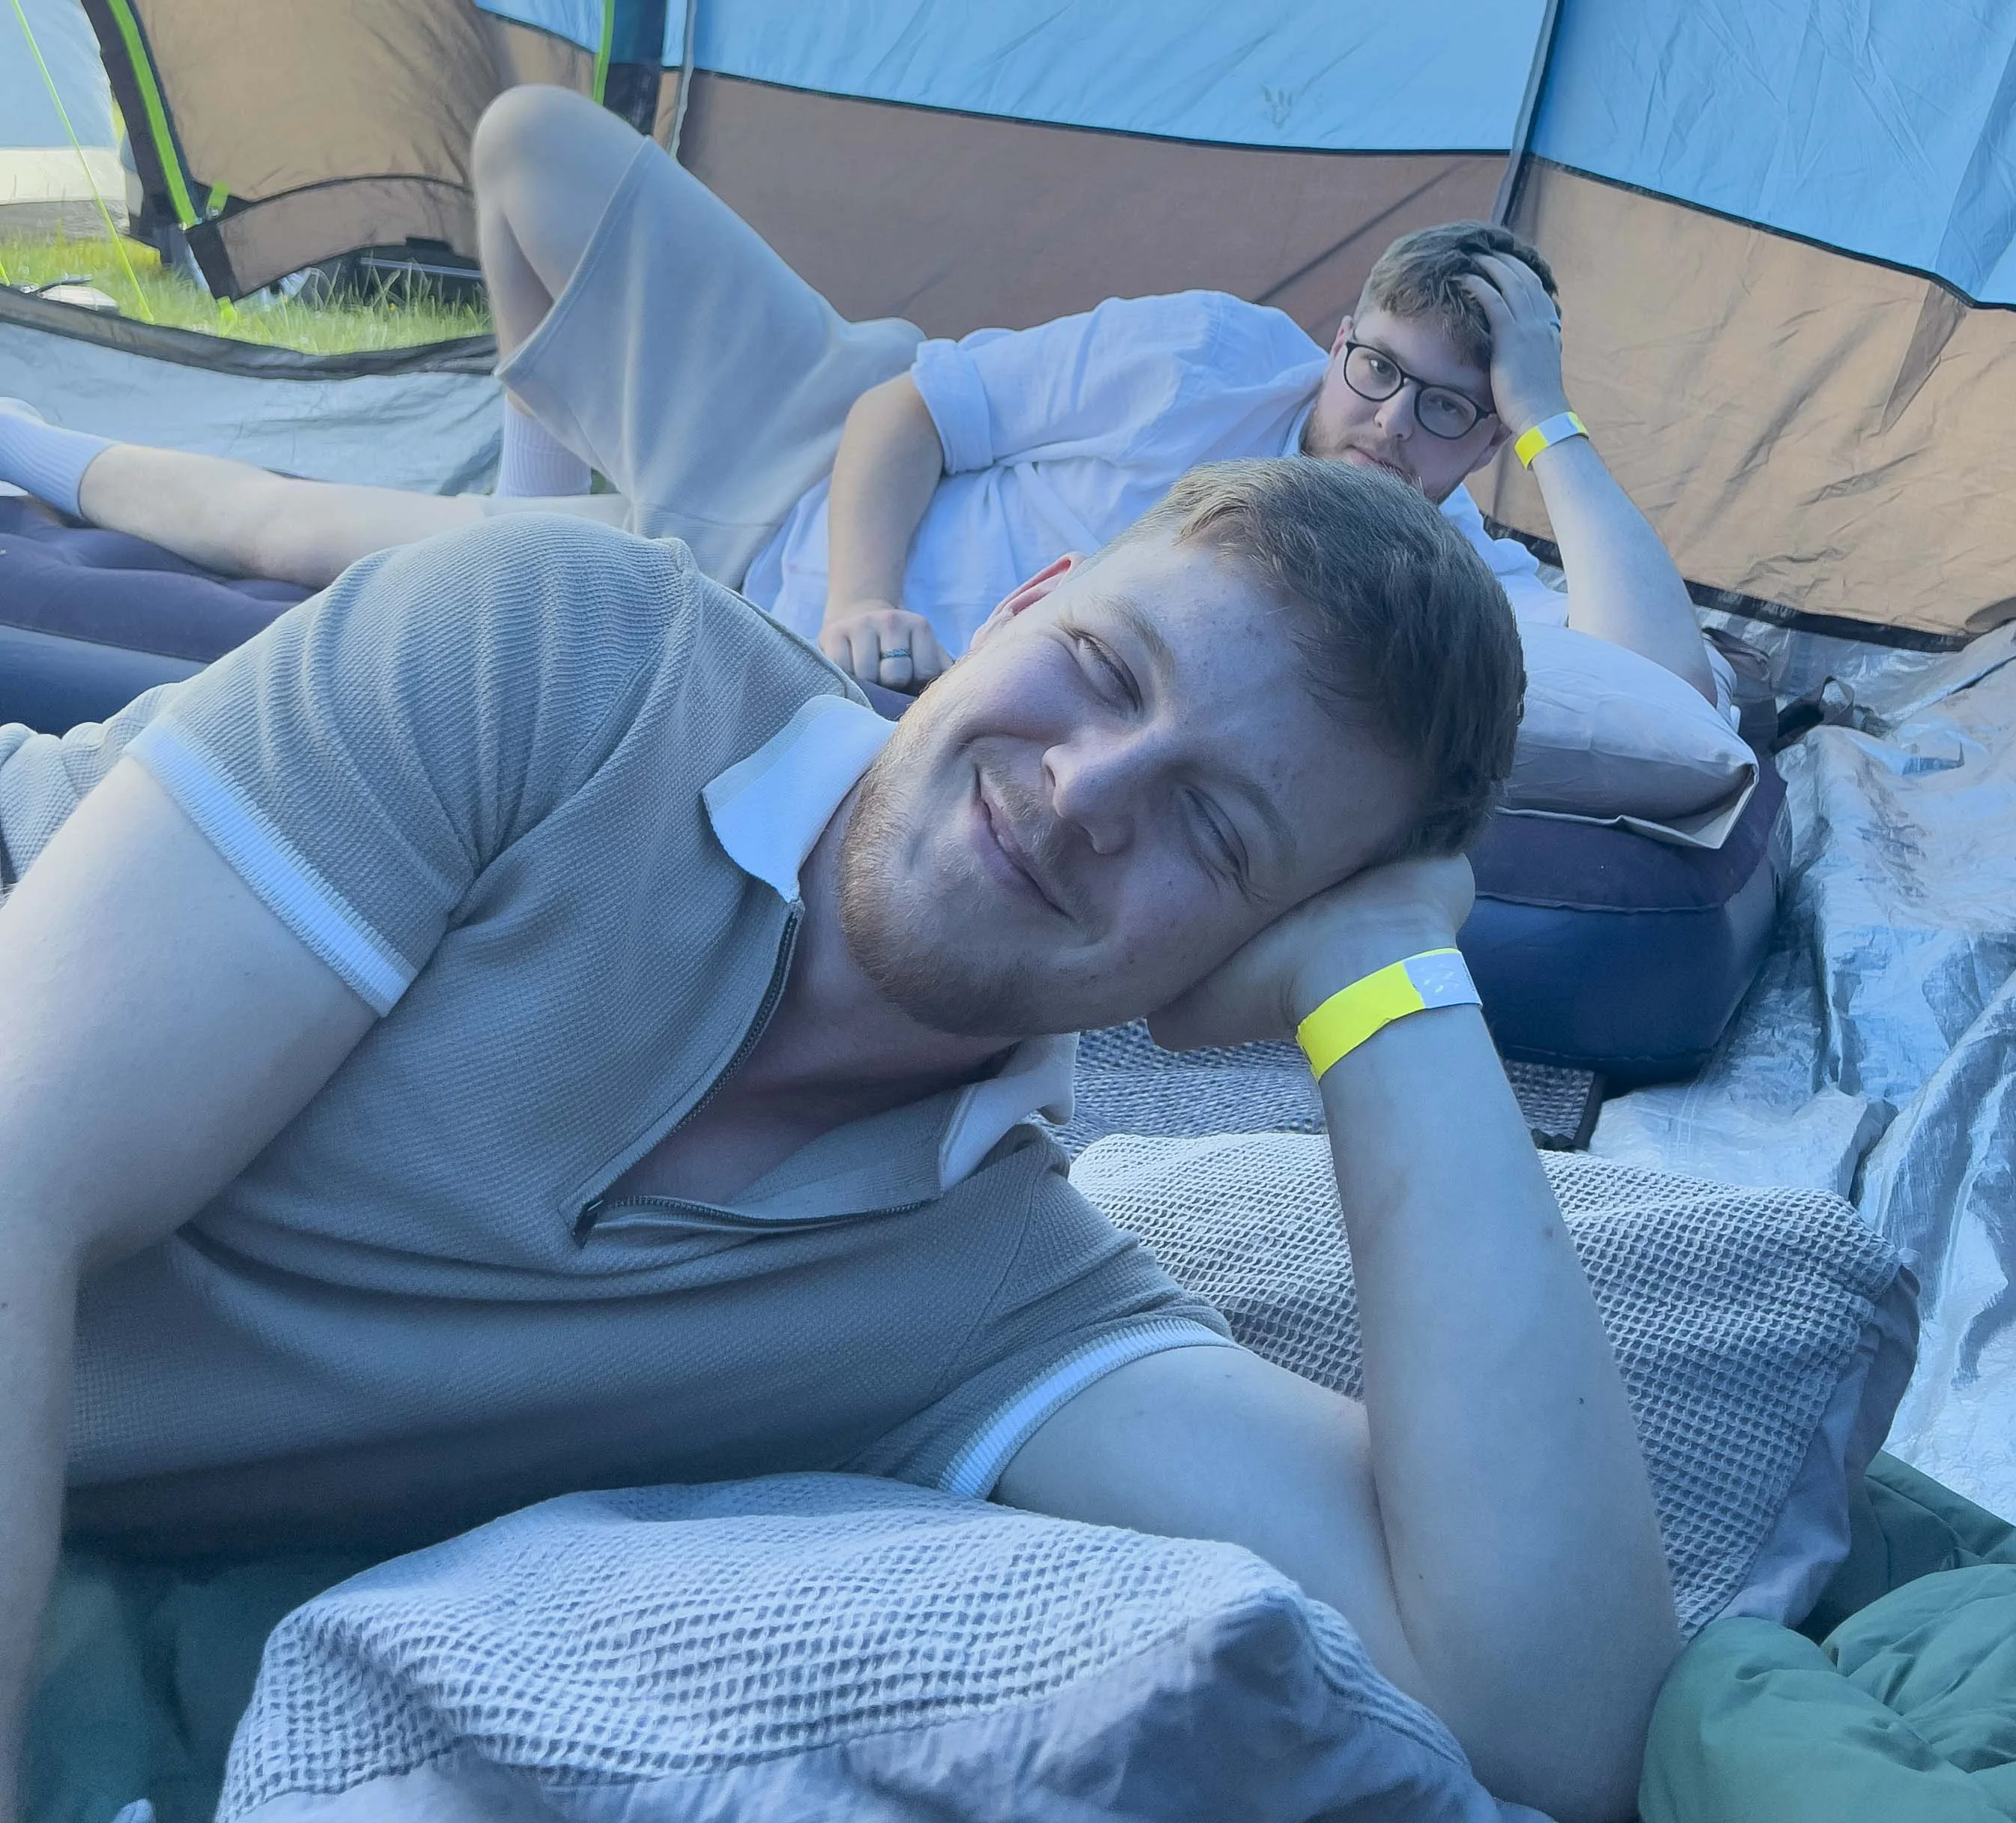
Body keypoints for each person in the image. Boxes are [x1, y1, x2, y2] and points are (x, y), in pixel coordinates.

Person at [0, 456, 1680, 1823]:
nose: (1088, 790)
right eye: (1100, 670)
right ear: (1023, 603)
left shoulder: (989, 1294)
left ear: (1248, 958)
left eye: (1217, 830)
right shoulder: (573, 661)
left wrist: (1387, 995)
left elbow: (1542, 1711)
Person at [0, 88, 1720, 712]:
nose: (1380, 425)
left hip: (710, 604)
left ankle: (37, 455)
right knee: (529, 143)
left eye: (1444, 414)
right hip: (807, 454)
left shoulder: (1451, 591)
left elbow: (1670, 694)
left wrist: (1554, 415)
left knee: (302, 539)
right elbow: (908, 415)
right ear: (1339, 336)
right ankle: (534, 494)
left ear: (1489, 443)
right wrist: (865, 598)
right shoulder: (1212, 355)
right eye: (1375, 371)